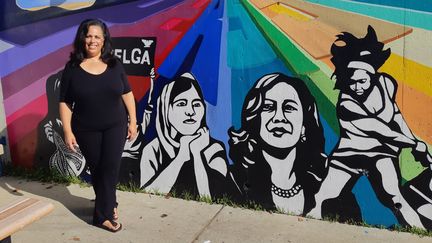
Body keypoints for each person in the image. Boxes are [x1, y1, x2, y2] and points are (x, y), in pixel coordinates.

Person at [307, 26, 432, 229]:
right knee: (323, 196)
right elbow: (380, 130)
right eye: (352, 82)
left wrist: (415, 142)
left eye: (362, 81)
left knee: (395, 199)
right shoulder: (346, 104)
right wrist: (413, 144)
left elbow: (396, 117)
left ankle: (420, 231)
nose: (357, 87)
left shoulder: (386, 83)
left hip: (381, 153)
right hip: (349, 154)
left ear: (372, 75)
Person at [59, 19, 137, 232]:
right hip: (86, 129)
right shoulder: (72, 68)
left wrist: (134, 121)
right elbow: (65, 101)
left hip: (116, 126)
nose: (92, 40)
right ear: (82, 39)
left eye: (97, 36)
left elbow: (127, 93)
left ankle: (103, 214)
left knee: (110, 168)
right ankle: (109, 205)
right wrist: (67, 130)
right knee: (99, 169)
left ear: (104, 41)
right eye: (89, 35)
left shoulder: (114, 64)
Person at [229, 73, 328, 215]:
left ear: (304, 126)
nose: (279, 118)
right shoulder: (234, 181)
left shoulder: (326, 187)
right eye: (269, 107)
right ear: (255, 119)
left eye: (289, 108)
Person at [140, 72, 239, 199]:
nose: (190, 112)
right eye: (181, 103)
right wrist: (181, 157)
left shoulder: (214, 149)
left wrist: (197, 154)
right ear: (166, 110)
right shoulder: (153, 149)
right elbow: (148, 192)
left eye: (196, 104)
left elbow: (208, 197)